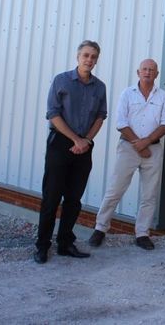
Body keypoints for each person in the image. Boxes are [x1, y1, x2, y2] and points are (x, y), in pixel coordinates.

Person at [87, 59, 165, 250]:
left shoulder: (163, 97)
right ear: (138, 72)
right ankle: (100, 229)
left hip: (153, 149)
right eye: (144, 69)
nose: (148, 72)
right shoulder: (127, 94)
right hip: (128, 148)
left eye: (151, 70)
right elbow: (121, 122)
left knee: (149, 194)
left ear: (157, 74)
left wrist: (147, 141)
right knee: (115, 189)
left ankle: (142, 233)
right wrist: (139, 144)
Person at [34, 40, 107, 264]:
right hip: (60, 145)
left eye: (94, 56)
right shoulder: (62, 80)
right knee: (52, 197)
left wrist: (85, 141)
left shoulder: (99, 87)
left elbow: (100, 117)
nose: (89, 60)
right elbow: (53, 114)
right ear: (78, 57)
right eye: (86, 55)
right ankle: (42, 246)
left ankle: (65, 243)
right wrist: (76, 139)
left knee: (74, 199)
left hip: (84, 148)